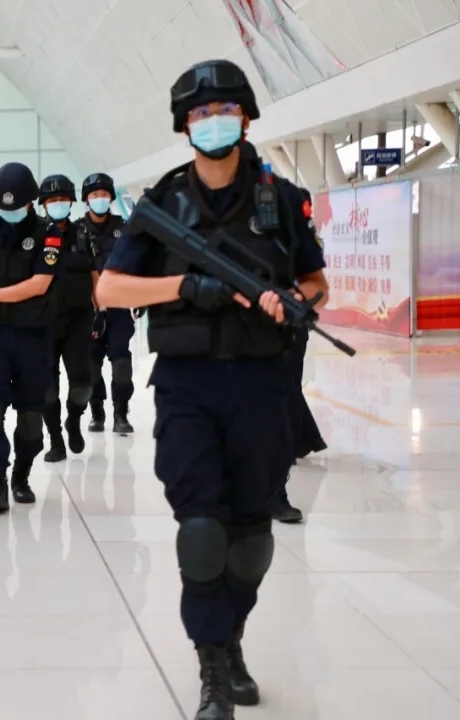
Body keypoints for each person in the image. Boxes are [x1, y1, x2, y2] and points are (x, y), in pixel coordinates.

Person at [95, 59, 328, 720]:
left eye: (224, 110)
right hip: (188, 387)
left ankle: (230, 640)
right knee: (201, 530)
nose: (213, 122)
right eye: (200, 114)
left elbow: (316, 282)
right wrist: (185, 287)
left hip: (262, 385)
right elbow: (108, 289)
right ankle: (212, 672)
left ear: (246, 117)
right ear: (183, 126)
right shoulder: (162, 204)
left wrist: (295, 301)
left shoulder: (280, 199)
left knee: (251, 535)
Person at [0, 162, 61, 512]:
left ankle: (22, 475)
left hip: (33, 337)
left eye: (15, 206)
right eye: (3, 206)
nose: (9, 211)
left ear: (31, 200)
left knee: (30, 415)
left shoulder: (49, 233)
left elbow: (39, 284)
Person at [273, 188, 328, 523]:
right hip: (248, 331)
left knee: (285, 392)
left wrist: (298, 299)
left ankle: (278, 486)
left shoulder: (303, 242)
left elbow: (317, 287)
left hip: (292, 327)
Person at [35, 174, 97, 462]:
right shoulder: (36, 236)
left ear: (71, 202)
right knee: (47, 387)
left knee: (83, 383)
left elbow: (95, 277)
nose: (57, 204)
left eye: (62, 199)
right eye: (52, 200)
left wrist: (102, 311)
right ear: (43, 204)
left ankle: (74, 419)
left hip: (79, 320)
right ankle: (56, 439)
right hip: (44, 322)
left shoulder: (83, 235)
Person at [79, 172, 135, 434]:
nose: (99, 199)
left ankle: (121, 413)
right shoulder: (77, 231)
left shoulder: (125, 228)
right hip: (88, 309)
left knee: (121, 360)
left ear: (111, 197)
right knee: (92, 363)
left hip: (119, 306)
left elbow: (137, 262)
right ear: (86, 199)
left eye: (104, 194)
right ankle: (97, 413)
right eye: (94, 195)